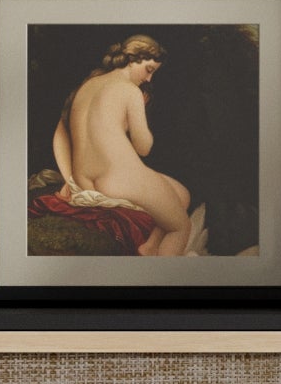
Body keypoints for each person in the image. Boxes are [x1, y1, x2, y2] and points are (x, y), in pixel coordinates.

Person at [52, 35, 195, 255]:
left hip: (87, 179)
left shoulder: (88, 84)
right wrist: (140, 110)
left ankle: (149, 247)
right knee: (181, 227)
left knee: (182, 194)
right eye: (149, 70)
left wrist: (71, 179)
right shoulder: (130, 91)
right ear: (133, 59)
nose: (149, 79)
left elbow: (60, 133)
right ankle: (161, 281)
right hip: (120, 179)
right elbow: (143, 148)